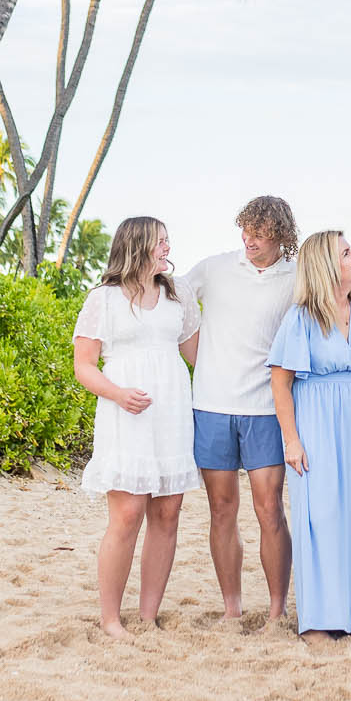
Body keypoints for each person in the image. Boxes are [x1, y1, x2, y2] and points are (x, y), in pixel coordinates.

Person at [71, 216, 201, 640]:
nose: (168, 248)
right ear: (139, 245)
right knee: (127, 514)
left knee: (167, 512)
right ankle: (110, 619)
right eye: (162, 242)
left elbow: (199, 355)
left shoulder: (177, 294)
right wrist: (117, 393)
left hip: (172, 410)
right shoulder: (103, 300)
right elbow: (83, 366)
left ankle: (148, 616)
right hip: (125, 411)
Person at [267, 230, 351, 637]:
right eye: (345, 252)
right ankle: (321, 619)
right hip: (315, 418)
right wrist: (291, 439)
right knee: (320, 515)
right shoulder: (300, 317)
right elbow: (280, 382)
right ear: (326, 266)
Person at [183, 196, 300, 623]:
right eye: (245, 230)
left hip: (267, 409)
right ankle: (232, 609)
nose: (249, 239)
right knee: (221, 509)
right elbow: (171, 300)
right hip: (211, 406)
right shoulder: (214, 268)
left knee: (269, 509)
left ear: (281, 235)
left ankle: (276, 609)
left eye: (260, 232)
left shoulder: (296, 277)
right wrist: (199, 358)